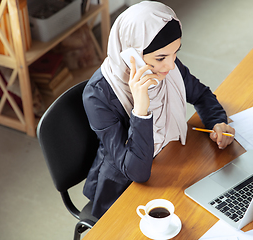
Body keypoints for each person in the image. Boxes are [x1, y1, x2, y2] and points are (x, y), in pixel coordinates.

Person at [82, 1, 235, 219]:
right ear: (130, 54)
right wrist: (141, 109)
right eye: (161, 58)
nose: (171, 66)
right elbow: (137, 173)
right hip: (122, 190)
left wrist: (217, 122)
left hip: (168, 161)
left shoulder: (166, 66)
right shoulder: (97, 95)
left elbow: (201, 94)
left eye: (175, 53)